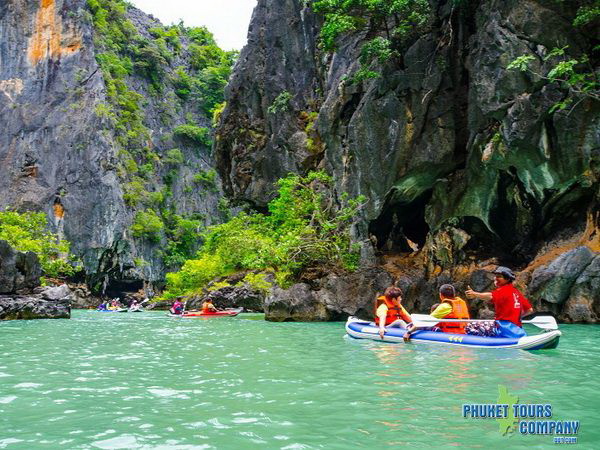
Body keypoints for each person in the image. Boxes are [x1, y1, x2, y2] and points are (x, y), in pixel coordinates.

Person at [465, 266, 533, 338]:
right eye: (495, 276)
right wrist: (516, 318)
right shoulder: (516, 292)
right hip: (517, 328)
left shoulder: (503, 290)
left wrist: (475, 294)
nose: (496, 278)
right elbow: (529, 310)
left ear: (507, 279)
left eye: (499, 276)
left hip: (504, 328)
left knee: (470, 326)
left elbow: (491, 296)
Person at [403, 284, 469, 341]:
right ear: (454, 294)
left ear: (441, 295)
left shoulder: (444, 306)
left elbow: (425, 321)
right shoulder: (462, 304)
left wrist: (409, 332)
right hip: (462, 332)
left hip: (450, 334)